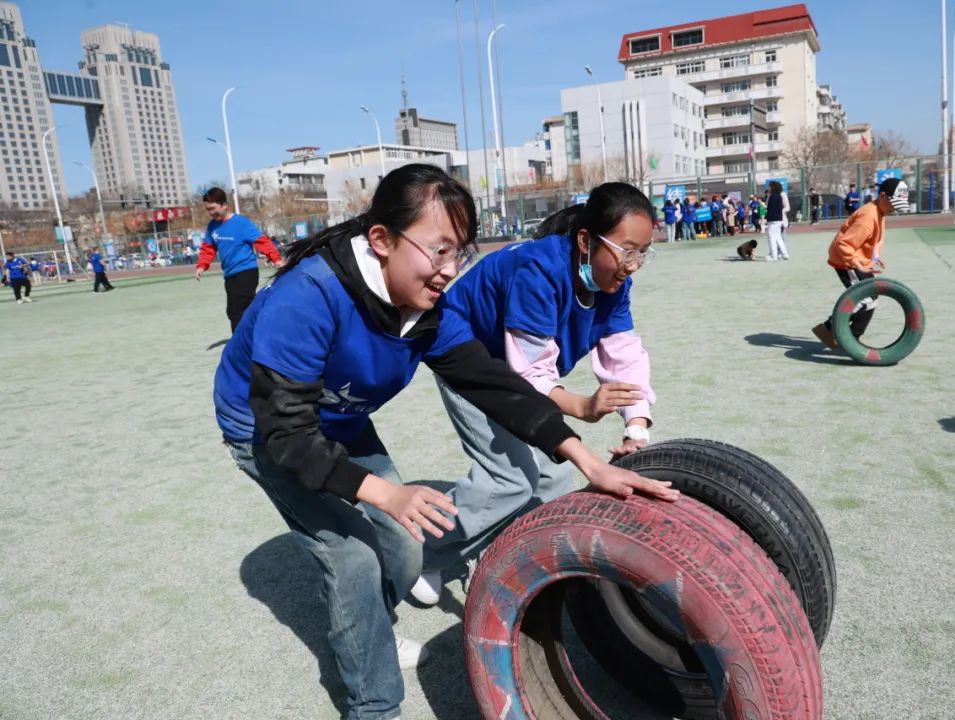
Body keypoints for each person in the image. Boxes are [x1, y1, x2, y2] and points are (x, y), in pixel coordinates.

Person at [213, 165, 675, 720]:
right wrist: (387, 494)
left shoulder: (426, 310)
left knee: (405, 547)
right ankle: (373, 705)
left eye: (459, 252)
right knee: (355, 559)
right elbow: (289, 435)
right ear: (381, 239)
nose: (450, 270)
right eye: (438, 251)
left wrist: (587, 461)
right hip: (265, 427)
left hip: (340, 418)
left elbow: (495, 385)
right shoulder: (307, 298)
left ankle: (368, 630)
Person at [411, 182, 670, 606]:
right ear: (585, 241)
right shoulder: (538, 271)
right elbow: (528, 374)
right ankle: (419, 552)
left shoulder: (613, 284)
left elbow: (624, 356)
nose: (633, 265)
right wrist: (581, 406)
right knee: (509, 480)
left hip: (516, 372)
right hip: (469, 361)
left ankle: (501, 552)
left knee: (554, 477)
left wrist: (636, 430)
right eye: (626, 250)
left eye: (642, 252)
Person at [811, 178, 910, 349]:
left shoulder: (880, 211)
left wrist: (875, 256)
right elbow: (844, 244)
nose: (894, 209)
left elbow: (874, 239)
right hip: (846, 260)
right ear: (882, 196)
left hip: (857, 258)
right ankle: (830, 330)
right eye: (893, 204)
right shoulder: (868, 217)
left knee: (872, 297)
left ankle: (851, 337)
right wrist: (856, 263)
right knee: (865, 299)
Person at [195, 187, 284, 332]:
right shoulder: (212, 226)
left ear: (224, 205)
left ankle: (242, 340)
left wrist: (275, 258)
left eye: (213, 208)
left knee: (238, 309)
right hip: (230, 274)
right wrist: (202, 265)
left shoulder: (241, 223)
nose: (211, 213)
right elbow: (208, 248)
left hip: (246, 271)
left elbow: (262, 241)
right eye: (208, 210)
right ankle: (258, 331)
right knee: (235, 310)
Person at [765, 181, 790, 261]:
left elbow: (770, 209)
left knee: (771, 238)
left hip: (773, 219)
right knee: (778, 238)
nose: (768, 188)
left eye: (769, 186)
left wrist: (765, 218)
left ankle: (774, 256)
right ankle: (784, 254)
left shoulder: (774, 196)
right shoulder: (777, 196)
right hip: (779, 220)